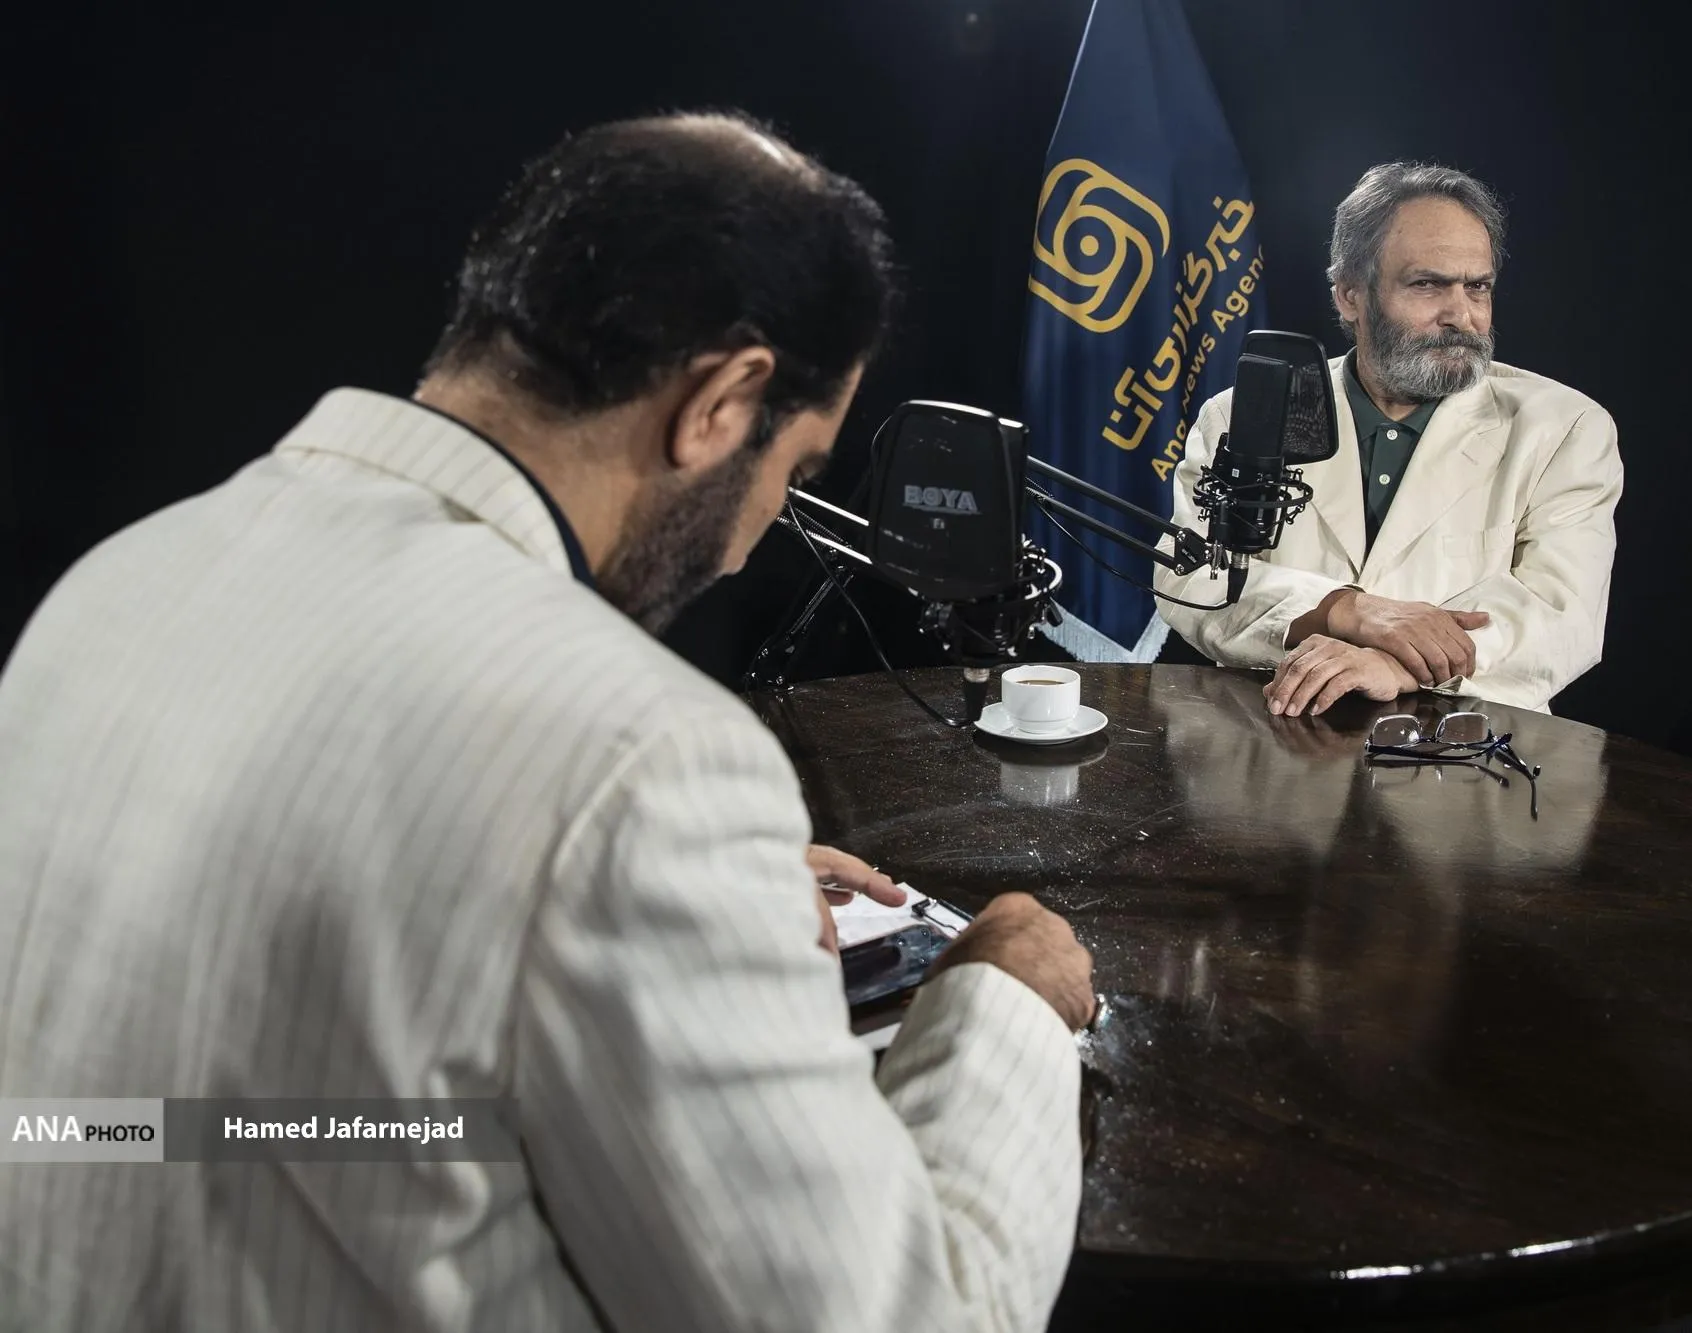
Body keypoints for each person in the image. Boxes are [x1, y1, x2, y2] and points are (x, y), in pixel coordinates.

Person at [0, 113, 1094, 1332]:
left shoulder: (121, 576)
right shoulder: (643, 759)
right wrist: (997, 996)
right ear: (723, 401)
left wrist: (671, 899)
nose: (748, 549)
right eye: (794, 470)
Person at [1154, 162, 1623, 716]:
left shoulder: (1564, 427)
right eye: (1427, 284)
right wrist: (1344, 610)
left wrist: (1395, 665)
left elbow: (1561, 616)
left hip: (1459, 747)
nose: (1462, 315)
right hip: (1268, 732)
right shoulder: (1243, 413)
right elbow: (1190, 580)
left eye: (1477, 287)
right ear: (1350, 296)